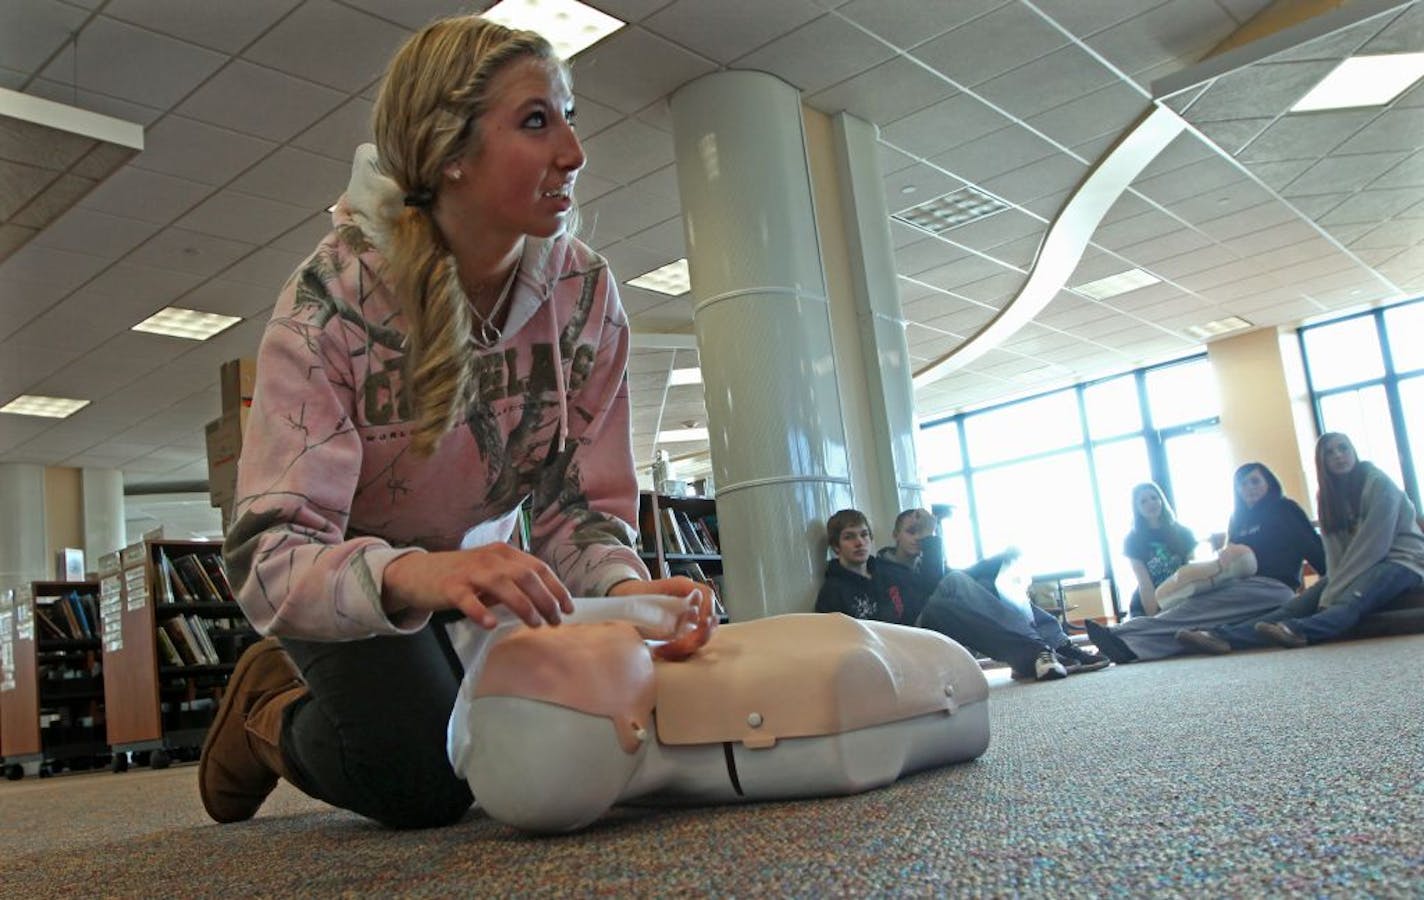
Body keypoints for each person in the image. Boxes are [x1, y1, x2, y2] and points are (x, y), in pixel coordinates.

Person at [198, 16, 703, 829]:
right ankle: (266, 713)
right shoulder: (330, 303)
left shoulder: (586, 295)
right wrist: (415, 577)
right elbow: (271, 554)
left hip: (472, 572)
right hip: (350, 582)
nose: (573, 151)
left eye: (570, 116)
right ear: (449, 153)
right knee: (426, 782)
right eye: (537, 121)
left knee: (551, 730)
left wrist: (628, 593)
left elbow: (578, 507)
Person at [1176, 433, 1424, 654]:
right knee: (1295, 605)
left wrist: (1335, 588)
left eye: (1343, 448)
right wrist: (1330, 584)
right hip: (1358, 565)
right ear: (1322, 462)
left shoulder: (1379, 484)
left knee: (1349, 600)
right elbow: (1334, 552)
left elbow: (1374, 544)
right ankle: (1222, 636)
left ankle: (1298, 631)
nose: (1338, 456)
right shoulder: (1327, 497)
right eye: (1330, 452)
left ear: (1353, 452)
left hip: (1401, 561)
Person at [816, 509, 1107, 681]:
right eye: (850, 537)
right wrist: (931, 539)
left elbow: (936, 584)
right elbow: (830, 639)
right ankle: (1041, 649)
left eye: (864, 535)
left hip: (928, 626)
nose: (859, 542)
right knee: (956, 581)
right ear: (836, 546)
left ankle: (1048, 649)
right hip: (900, 644)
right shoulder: (837, 588)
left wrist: (998, 561)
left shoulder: (883, 571)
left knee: (979, 583)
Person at [1086, 462, 1326, 663]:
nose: (1248, 488)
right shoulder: (1239, 518)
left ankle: (1118, 634)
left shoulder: (1285, 509)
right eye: (1242, 484)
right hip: (1239, 584)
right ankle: (1133, 649)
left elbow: (1312, 546)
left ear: (1269, 483)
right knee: (1196, 610)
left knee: (1192, 611)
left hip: (1273, 587)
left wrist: (1330, 583)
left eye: (1255, 481)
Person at [1122, 483, 1197, 617]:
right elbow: (1144, 584)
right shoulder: (1132, 540)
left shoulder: (1184, 533)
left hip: (1180, 595)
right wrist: (1155, 619)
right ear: (1137, 508)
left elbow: (1190, 572)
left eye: (1154, 498)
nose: (1150, 503)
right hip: (1149, 600)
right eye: (1143, 501)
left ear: (1161, 500)